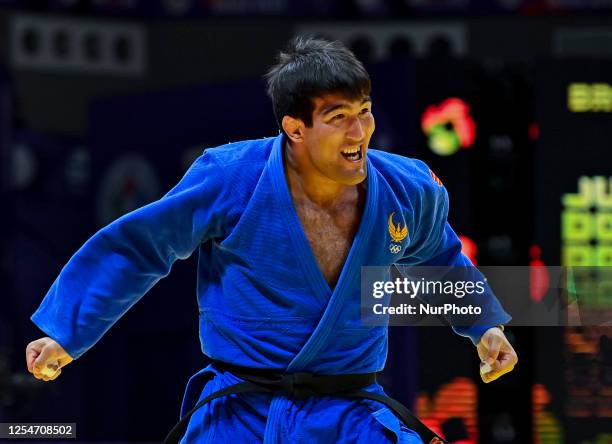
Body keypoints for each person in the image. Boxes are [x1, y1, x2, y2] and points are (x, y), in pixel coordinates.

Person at [26, 37, 518, 443]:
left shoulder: (406, 189)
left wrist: (486, 328)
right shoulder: (231, 178)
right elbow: (139, 246)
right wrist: (66, 332)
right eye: (338, 116)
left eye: (364, 111)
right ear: (294, 128)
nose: (360, 131)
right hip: (239, 412)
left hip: (351, 415)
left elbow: (440, 258)